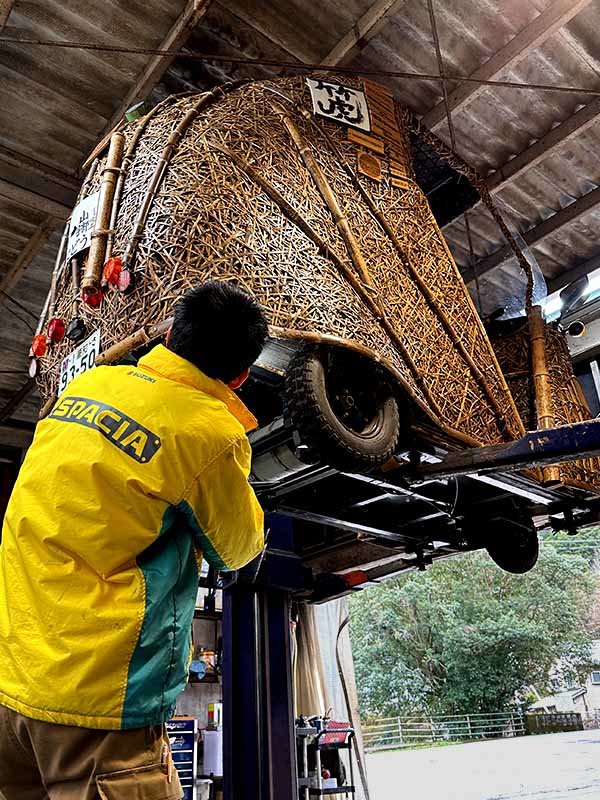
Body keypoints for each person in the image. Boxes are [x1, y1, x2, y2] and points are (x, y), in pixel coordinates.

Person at [0, 280, 269, 799]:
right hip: (96, 707)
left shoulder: (85, 387)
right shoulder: (210, 431)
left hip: (11, 681)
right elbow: (237, 548)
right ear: (240, 376)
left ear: (168, 334)